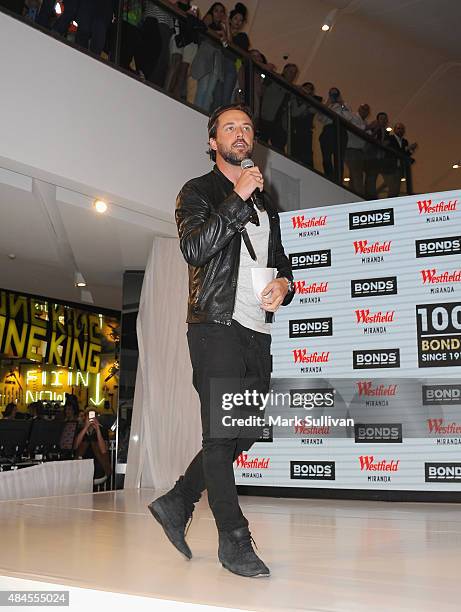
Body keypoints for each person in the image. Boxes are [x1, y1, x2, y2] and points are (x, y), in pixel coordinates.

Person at [148, 103, 294, 578]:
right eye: (230, 127)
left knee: (245, 430)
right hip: (215, 325)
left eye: (247, 127)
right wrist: (236, 197)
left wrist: (284, 285)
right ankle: (233, 540)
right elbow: (194, 248)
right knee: (219, 433)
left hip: (257, 329)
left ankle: (179, 500)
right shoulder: (198, 191)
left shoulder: (265, 201)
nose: (241, 133)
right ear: (213, 142)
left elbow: (279, 259)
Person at [191, 2, 227, 112]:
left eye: (221, 11)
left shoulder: (222, 27)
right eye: (216, 10)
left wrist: (226, 28)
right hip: (206, 54)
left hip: (217, 57)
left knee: (210, 90)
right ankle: (196, 110)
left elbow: (226, 45)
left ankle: (203, 112)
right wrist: (218, 34)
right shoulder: (209, 18)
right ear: (212, 11)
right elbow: (202, 29)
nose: (218, 14)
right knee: (203, 86)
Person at [259, 63, 299, 152]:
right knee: (260, 145)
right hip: (266, 118)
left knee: (279, 149)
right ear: (284, 70)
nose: (292, 74)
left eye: (294, 73)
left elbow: (294, 111)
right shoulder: (273, 78)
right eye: (290, 71)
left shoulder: (292, 90)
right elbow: (261, 89)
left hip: (280, 124)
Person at [318, 86, 352, 182]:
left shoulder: (344, 106)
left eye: (335, 94)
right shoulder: (327, 105)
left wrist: (341, 104)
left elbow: (348, 118)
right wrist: (327, 104)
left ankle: (338, 180)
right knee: (326, 158)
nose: (333, 96)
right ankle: (329, 177)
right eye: (331, 94)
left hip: (340, 131)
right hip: (328, 130)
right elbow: (320, 118)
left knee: (339, 159)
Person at [74, 409, 112, 485]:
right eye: (89, 416)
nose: (91, 418)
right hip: (82, 466)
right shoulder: (79, 430)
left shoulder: (102, 430)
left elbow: (104, 450)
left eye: (93, 416)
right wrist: (85, 427)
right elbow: (75, 445)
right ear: (85, 418)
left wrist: (98, 429)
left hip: (98, 466)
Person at [290, 82, 322, 167]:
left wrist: (307, 102)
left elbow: (315, 111)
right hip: (295, 131)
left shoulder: (313, 101)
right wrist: (306, 103)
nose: (308, 90)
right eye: (306, 88)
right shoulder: (295, 98)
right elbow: (295, 113)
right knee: (296, 153)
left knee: (307, 154)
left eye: (310, 89)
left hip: (306, 132)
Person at [383, 122, 417, 197]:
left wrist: (411, 150)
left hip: (399, 167)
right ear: (394, 130)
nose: (400, 130)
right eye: (398, 128)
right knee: (393, 188)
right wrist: (407, 148)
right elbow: (394, 151)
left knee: (396, 189)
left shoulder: (405, 141)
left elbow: (405, 154)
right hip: (389, 166)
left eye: (402, 129)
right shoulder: (390, 138)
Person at [345, 103, 370, 195]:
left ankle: (351, 196)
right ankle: (360, 197)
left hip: (359, 151)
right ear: (359, 109)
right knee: (357, 175)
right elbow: (356, 128)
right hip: (351, 150)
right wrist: (371, 127)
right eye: (363, 109)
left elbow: (369, 135)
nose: (365, 111)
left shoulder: (365, 122)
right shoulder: (353, 118)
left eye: (367, 110)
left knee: (354, 175)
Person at [364, 111, 389, 199]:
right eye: (381, 118)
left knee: (373, 177)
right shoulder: (373, 128)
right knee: (371, 176)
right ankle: (370, 196)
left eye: (385, 119)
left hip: (378, 157)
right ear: (377, 120)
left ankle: (371, 195)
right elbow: (369, 139)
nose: (384, 120)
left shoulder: (385, 132)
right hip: (371, 156)